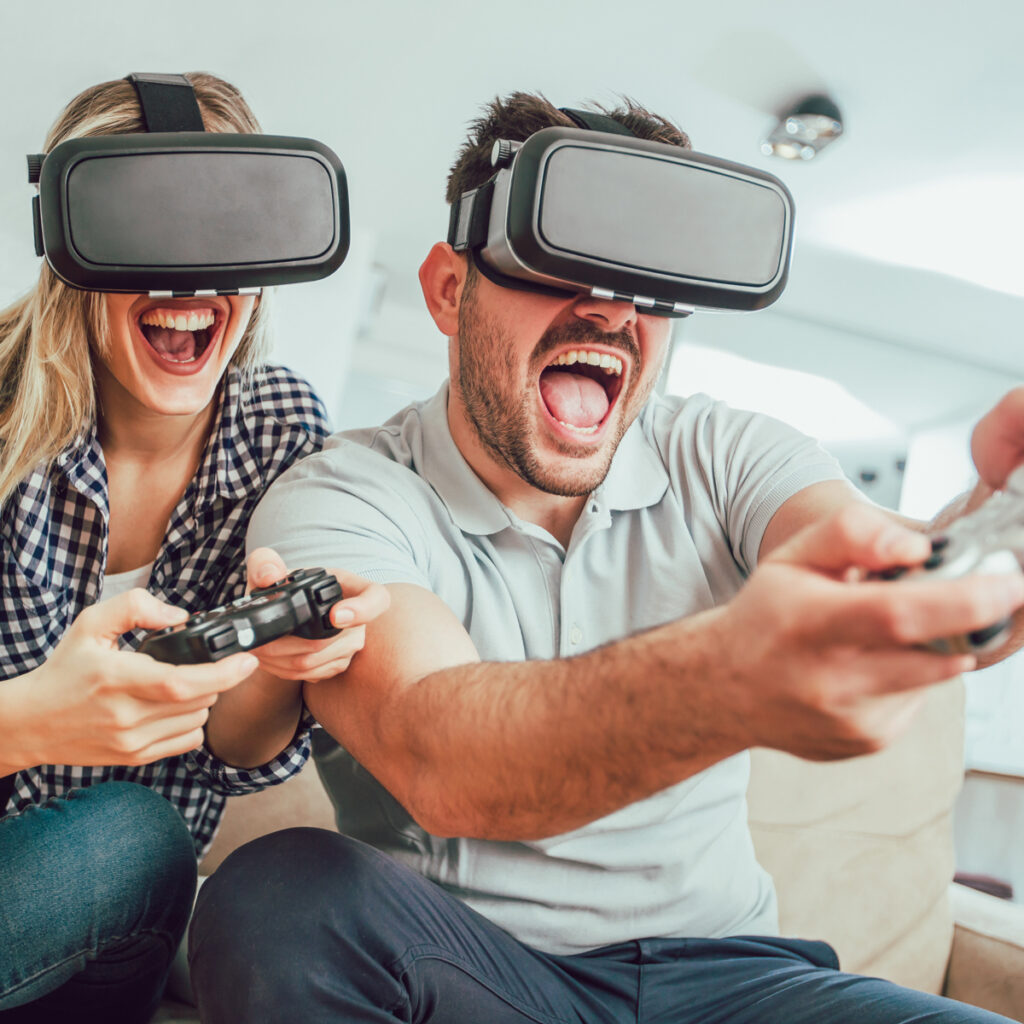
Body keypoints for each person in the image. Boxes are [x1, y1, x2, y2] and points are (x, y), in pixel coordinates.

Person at [190, 93, 1024, 1023]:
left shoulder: (730, 451)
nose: (611, 308)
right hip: (477, 974)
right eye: (557, 257)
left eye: (646, 278)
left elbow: (870, 571)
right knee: (279, 896)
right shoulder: (343, 493)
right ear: (448, 289)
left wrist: (992, 552)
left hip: (734, 978)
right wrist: (730, 674)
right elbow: (442, 755)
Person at [0, 73, 387, 1023]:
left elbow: (233, 747)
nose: (190, 279)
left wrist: (281, 664)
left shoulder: (281, 427)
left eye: (226, 232)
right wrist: (32, 722)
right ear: (74, 244)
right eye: (148, 229)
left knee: (139, 840)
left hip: (116, 909)